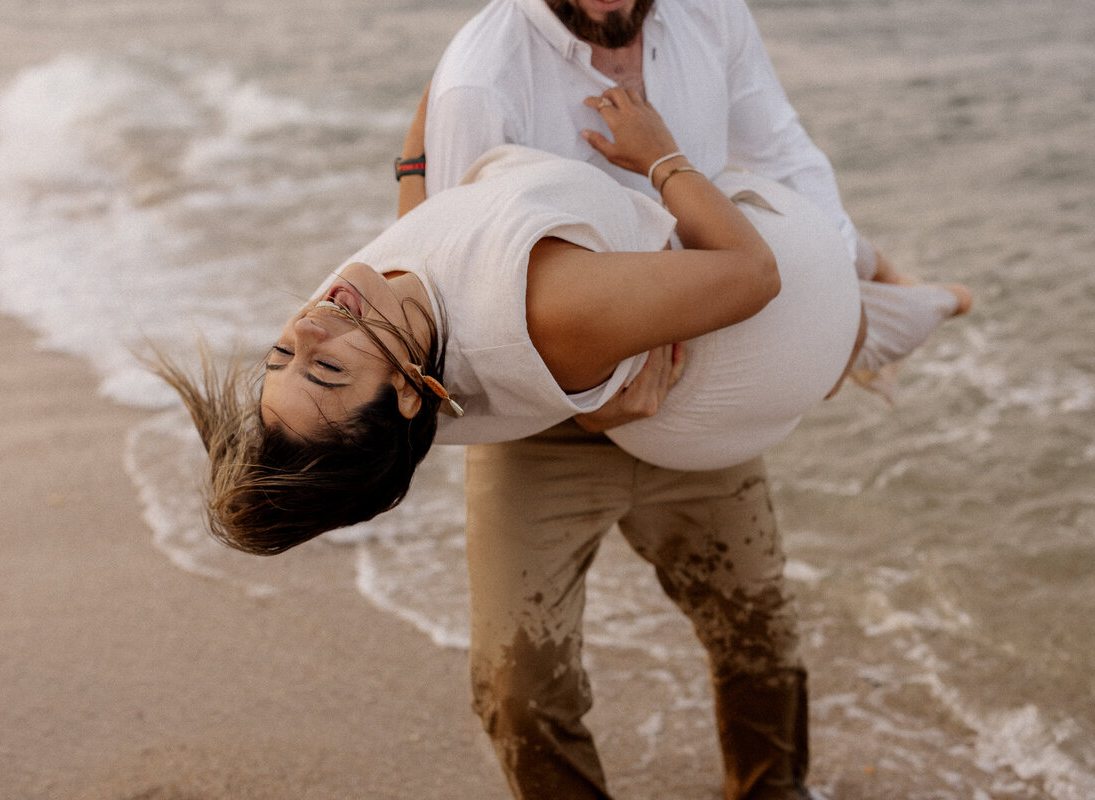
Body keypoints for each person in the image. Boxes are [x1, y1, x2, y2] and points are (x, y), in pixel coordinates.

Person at [153, 86, 969, 795]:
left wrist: (428, 151)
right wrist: (661, 157)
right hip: (566, 420)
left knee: (753, 625)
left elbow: (429, 175)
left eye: (283, 356)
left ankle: (771, 791)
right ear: (409, 393)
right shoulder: (542, 306)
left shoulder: (362, 301)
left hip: (669, 385)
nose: (306, 325)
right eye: (324, 368)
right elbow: (754, 279)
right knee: (516, 684)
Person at [404, 1, 970, 798]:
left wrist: (836, 295)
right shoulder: (481, 81)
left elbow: (780, 150)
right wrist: (583, 404)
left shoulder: (712, 17)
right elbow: (461, 296)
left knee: (760, 638)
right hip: (547, 422)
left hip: (702, 389)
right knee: (519, 689)